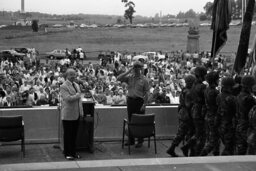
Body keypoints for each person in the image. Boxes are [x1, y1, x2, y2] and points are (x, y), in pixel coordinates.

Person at [117, 61, 149, 148]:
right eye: (135, 67)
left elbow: (147, 93)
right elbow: (118, 78)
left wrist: (144, 104)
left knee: (140, 121)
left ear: (141, 69)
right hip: (130, 101)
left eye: (138, 67)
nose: (136, 69)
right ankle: (131, 140)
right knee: (131, 121)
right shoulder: (130, 77)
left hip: (139, 102)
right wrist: (128, 71)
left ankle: (140, 141)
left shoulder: (144, 79)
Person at [166, 74, 195, 157]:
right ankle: (175, 149)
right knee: (185, 133)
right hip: (187, 115)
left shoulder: (184, 90)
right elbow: (188, 105)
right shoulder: (189, 92)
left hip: (182, 114)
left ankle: (173, 148)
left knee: (182, 133)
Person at [60, 68, 83, 160]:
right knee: (68, 135)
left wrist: (81, 112)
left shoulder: (76, 85)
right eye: (71, 75)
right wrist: (78, 95)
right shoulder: (63, 86)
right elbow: (67, 99)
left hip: (76, 114)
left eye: (74, 74)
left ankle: (73, 152)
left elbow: (79, 100)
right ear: (67, 76)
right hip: (68, 114)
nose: (73, 76)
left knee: (74, 135)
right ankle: (67, 154)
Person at [200, 71, 220, 156]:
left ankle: (216, 154)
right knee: (213, 140)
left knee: (212, 138)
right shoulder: (215, 92)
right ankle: (202, 154)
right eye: (218, 79)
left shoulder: (207, 90)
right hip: (214, 117)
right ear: (215, 80)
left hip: (208, 116)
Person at [236, 75, 256, 155]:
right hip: (247, 126)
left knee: (241, 149)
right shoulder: (249, 98)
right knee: (250, 149)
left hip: (240, 123)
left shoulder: (240, 95)